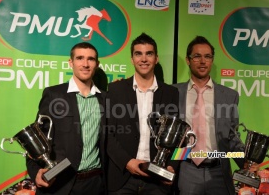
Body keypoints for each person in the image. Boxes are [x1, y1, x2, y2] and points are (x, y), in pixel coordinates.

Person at [173, 35, 258, 195]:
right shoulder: (173, 92)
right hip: (185, 170)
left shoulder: (229, 95)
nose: (203, 61)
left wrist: (245, 161)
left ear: (212, 60)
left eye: (207, 56)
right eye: (197, 56)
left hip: (218, 172)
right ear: (188, 60)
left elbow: (232, 136)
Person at [26, 42, 106, 195]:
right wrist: (36, 171)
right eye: (80, 58)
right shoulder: (53, 95)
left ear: (97, 64)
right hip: (60, 183)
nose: (85, 64)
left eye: (91, 59)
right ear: (71, 62)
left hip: (95, 184)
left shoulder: (105, 98)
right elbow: (37, 141)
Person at [106, 33, 179, 195]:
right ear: (132, 59)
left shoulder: (170, 93)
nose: (144, 59)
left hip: (157, 181)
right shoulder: (115, 90)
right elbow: (107, 134)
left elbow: (177, 137)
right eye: (138, 54)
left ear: (156, 58)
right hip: (122, 178)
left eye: (149, 54)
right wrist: (127, 162)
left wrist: (172, 166)